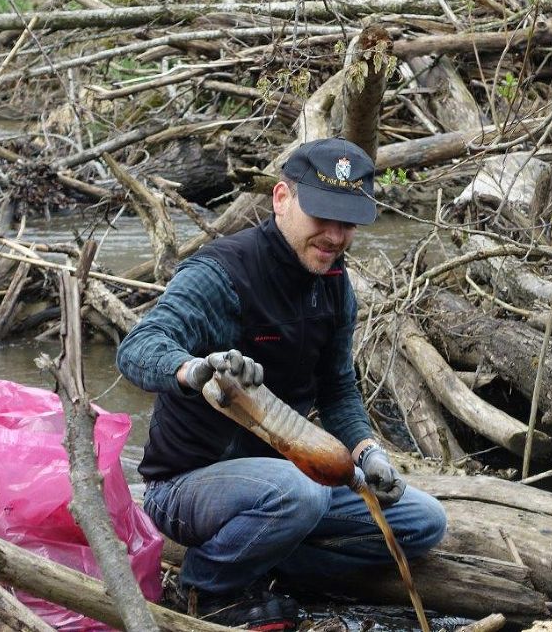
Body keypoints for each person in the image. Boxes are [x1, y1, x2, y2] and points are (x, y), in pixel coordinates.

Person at [116, 137, 447, 631]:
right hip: (186, 489)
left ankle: (273, 565)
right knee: (301, 494)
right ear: (281, 199)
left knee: (424, 522)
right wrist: (195, 369)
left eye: (347, 221)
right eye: (323, 217)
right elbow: (137, 348)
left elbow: (337, 389)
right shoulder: (222, 273)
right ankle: (206, 587)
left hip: (287, 481)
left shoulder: (335, 284)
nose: (335, 236)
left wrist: (367, 450)